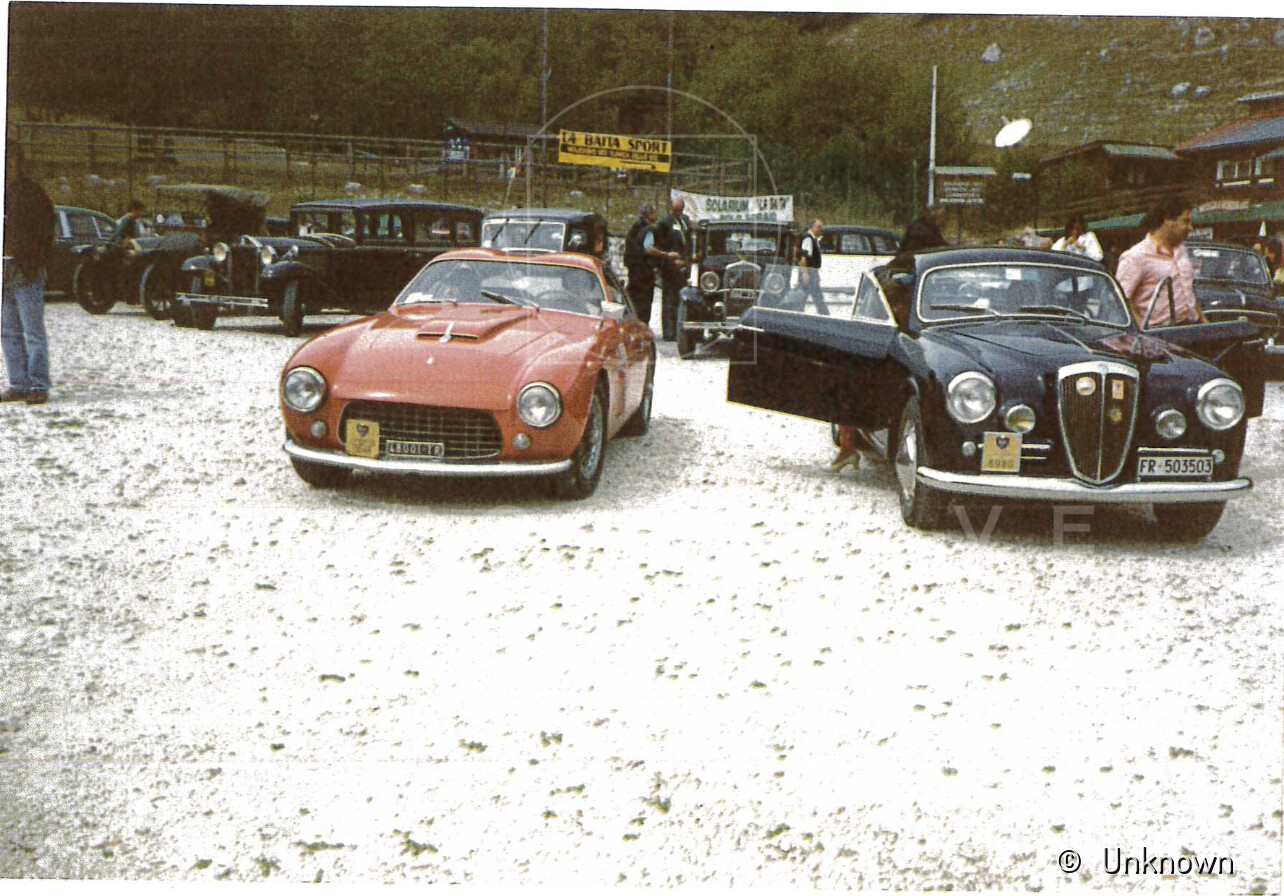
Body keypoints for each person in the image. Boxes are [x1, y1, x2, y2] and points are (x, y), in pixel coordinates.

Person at [2, 144, 57, 405]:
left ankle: (38, 385)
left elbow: (47, 227)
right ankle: (19, 383)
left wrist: (36, 260)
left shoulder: (32, 192)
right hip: (4, 269)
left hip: (25, 269)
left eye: (10, 158)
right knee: (8, 332)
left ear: (18, 161)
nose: (7, 164)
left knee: (33, 332)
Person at [1115, 196, 1204, 327]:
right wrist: (1144, 331)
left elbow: (1188, 289)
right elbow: (1120, 300)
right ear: (1168, 221)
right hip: (1159, 332)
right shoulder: (1136, 257)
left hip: (1189, 328)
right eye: (1185, 221)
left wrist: (1204, 321)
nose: (1190, 228)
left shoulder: (1182, 251)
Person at [623, 203, 670, 328]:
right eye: (654, 213)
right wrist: (665, 255)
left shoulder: (634, 229)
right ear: (648, 215)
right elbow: (648, 249)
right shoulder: (649, 230)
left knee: (633, 301)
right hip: (644, 272)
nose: (656, 216)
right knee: (644, 303)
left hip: (633, 271)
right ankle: (642, 327)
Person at [653, 197, 693, 341]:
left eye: (680, 210)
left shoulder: (685, 221)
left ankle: (678, 330)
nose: (678, 212)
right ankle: (669, 332)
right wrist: (670, 261)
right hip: (670, 267)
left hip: (683, 267)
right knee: (669, 300)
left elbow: (688, 241)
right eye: (675, 210)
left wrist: (687, 261)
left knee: (680, 299)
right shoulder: (664, 224)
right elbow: (660, 247)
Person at [796, 219, 830, 315]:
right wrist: (805, 273)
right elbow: (804, 256)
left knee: (807, 295)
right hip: (808, 272)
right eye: (819, 227)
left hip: (812, 272)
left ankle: (798, 312)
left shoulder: (814, 239)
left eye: (821, 227)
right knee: (815, 296)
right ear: (812, 227)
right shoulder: (808, 239)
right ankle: (824, 314)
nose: (821, 229)